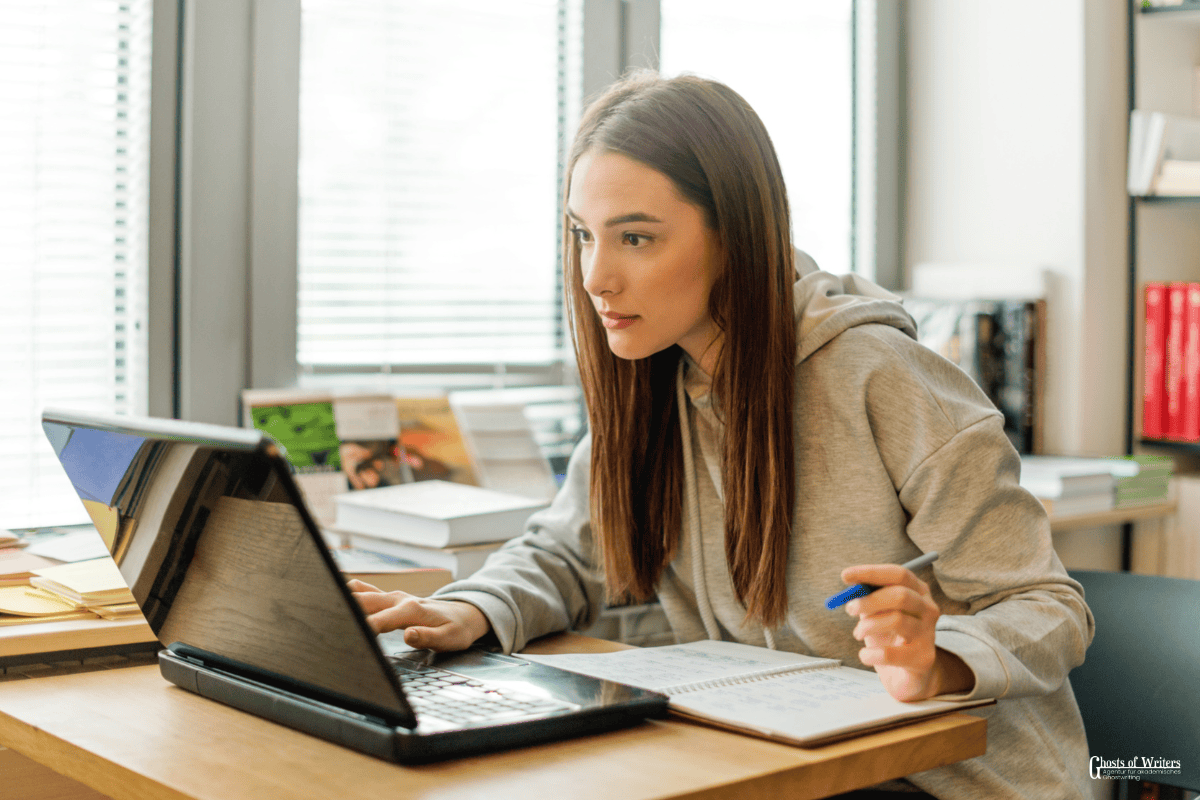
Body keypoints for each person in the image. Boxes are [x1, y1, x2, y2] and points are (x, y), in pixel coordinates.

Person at [349, 71, 1094, 799]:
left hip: (945, 778)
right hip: (778, 765)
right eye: (583, 235)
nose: (595, 277)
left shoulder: (881, 376)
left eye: (635, 238)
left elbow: (1048, 606)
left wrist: (938, 660)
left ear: (735, 236)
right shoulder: (654, 378)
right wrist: (469, 610)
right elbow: (567, 555)